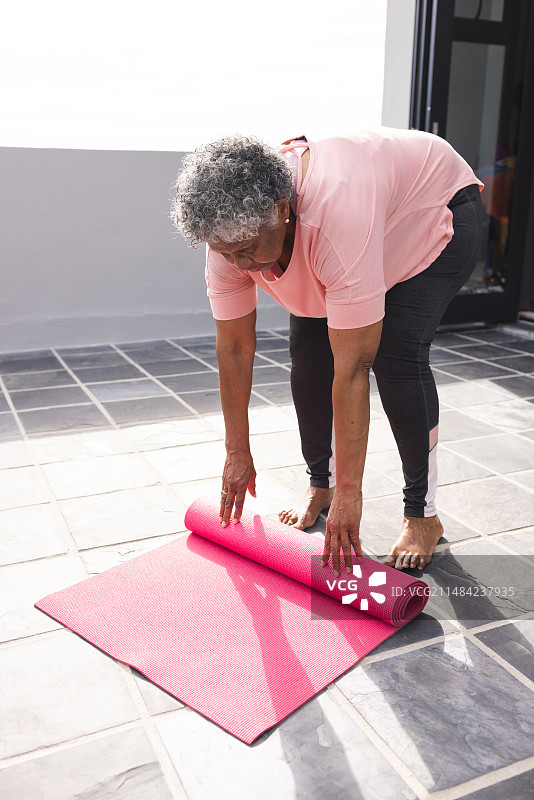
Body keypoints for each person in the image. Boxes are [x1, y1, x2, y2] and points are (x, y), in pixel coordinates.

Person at [171, 128, 483, 576]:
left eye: (247, 251)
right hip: (361, 223)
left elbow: (355, 367)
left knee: (395, 354)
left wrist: (351, 494)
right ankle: (320, 482)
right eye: (227, 254)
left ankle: (422, 514)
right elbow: (236, 347)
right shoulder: (231, 234)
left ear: (281, 211)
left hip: (434, 205)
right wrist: (236, 451)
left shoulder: (334, 217)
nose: (240, 265)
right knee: (310, 354)